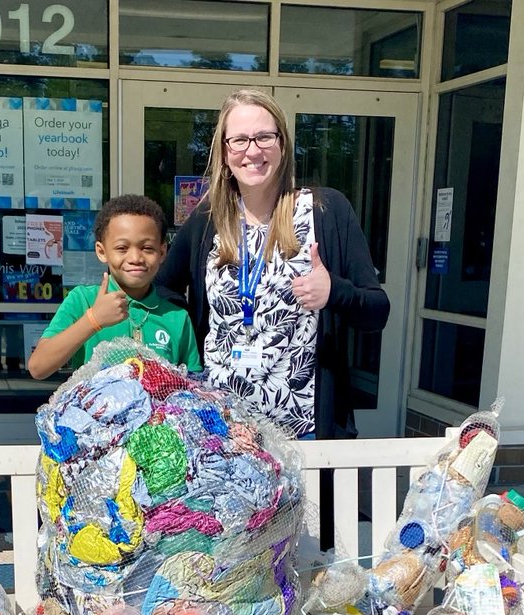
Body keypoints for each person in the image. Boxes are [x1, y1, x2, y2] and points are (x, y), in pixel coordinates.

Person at [155, 88, 389, 440]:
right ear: (224, 151)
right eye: (240, 140)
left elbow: (377, 311)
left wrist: (334, 292)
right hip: (223, 433)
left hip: (303, 431)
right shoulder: (209, 218)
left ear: (282, 143)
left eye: (264, 136)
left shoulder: (326, 211)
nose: (253, 150)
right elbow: (163, 288)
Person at [28, 194, 202, 379]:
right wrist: (93, 319)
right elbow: (38, 367)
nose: (135, 258)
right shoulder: (83, 300)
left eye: (147, 248)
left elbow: (192, 384)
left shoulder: (177, 317)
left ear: (162, 252)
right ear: (102, 252)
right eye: (122, 248)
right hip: (95, 408)